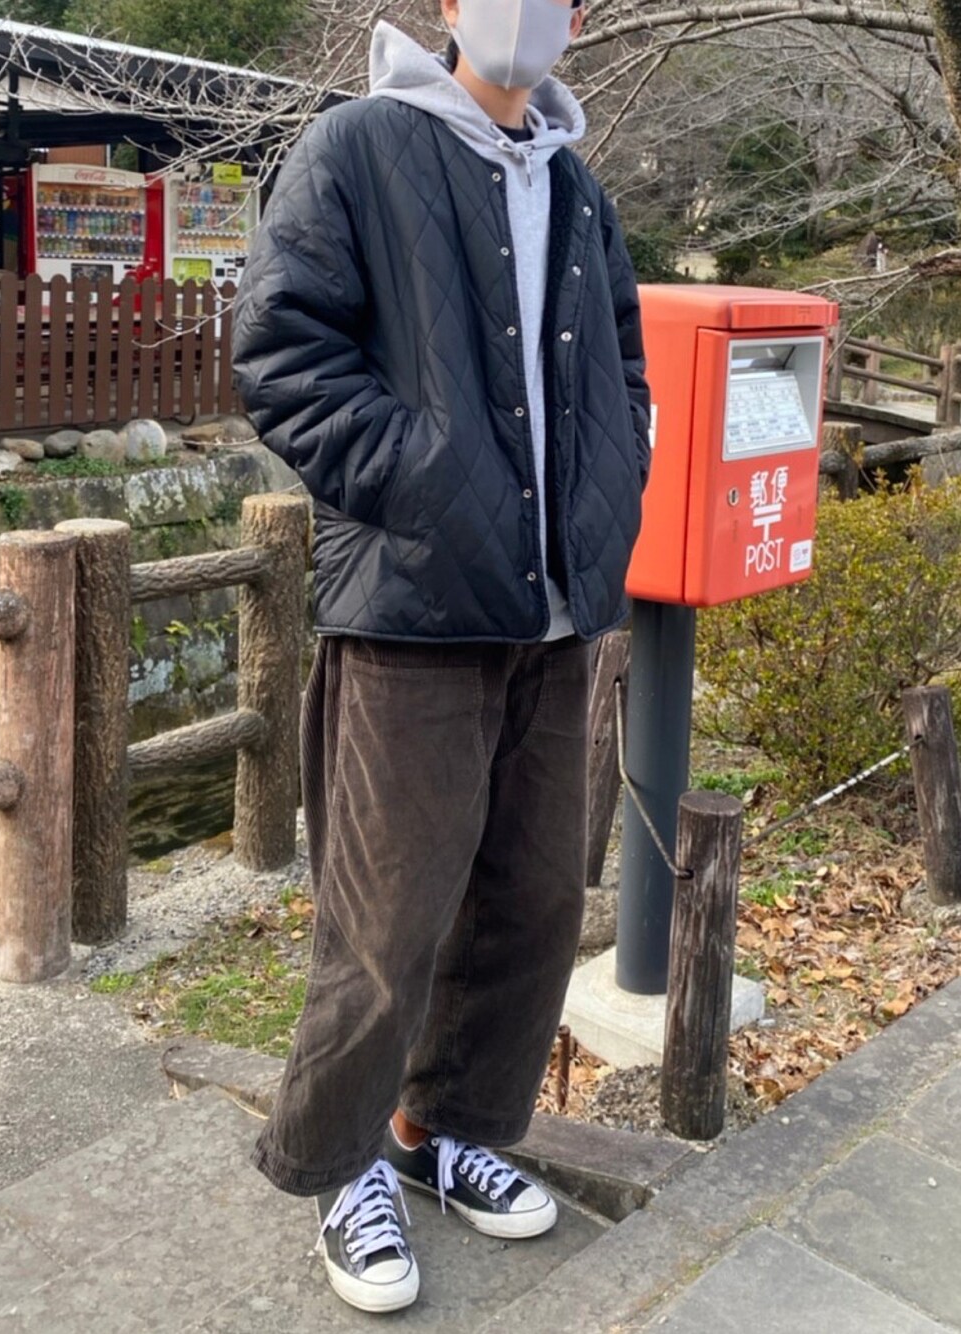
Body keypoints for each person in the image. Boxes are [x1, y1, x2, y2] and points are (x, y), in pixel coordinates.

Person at [232, 0, 651, 1315]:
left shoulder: (575, 185)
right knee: (387, 920)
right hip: (412, 608)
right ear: (452, 9)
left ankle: (442, 1130)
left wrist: (614, 492)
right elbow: (283, 355)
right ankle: (341, 1164)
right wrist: (426, 484)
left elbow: (625, 368)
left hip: (553, 614)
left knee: (533, 898)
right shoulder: (358, 145)